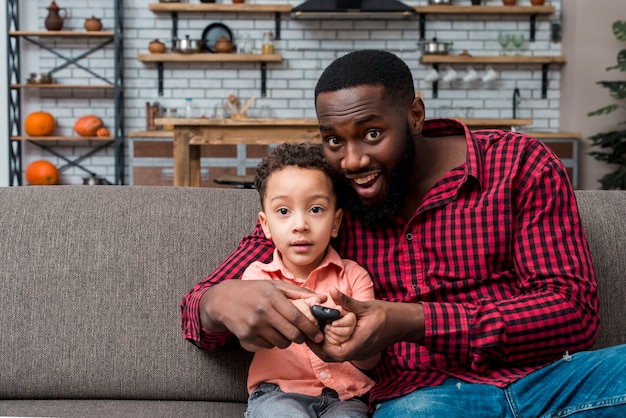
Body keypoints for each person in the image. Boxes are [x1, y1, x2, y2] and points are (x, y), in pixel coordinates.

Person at [181, 50, 626, 416]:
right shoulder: (329, 199)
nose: (352, 160)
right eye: (334, 140)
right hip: (423, 400)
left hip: (553, 383)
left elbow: (574, 313)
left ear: (414, 115)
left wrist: (413, 321)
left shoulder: (517, 164)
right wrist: (219, 302)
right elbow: (200, 305)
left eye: (372, 133)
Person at [240, 143, 380, 417]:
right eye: (283, 211)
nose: (301, 224)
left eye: (315, 209)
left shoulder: (354, 276)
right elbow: (249, 341)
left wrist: (351, 336)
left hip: (347, 397)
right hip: (277, 395)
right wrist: (285, 319)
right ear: (265, 225)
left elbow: (371, 358)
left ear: (336, 222)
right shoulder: (258, 277)